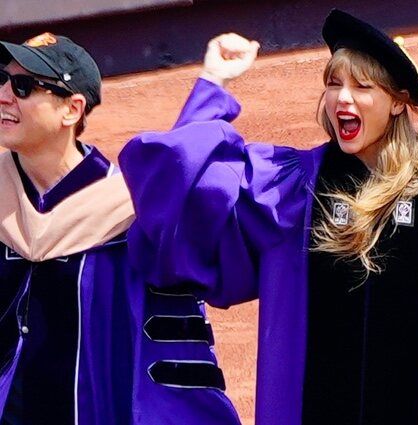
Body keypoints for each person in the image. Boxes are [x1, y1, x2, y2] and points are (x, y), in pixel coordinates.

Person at [117, 8, 418, 425]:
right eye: (334, 83)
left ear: (399, 101)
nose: (342, 99)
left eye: (363, 86)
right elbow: (181, 191)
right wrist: (212, 84)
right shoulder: (287, 189)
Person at [0, 33, 240, 424]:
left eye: (23, 86)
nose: (5, 95)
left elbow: (177, 172)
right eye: (2, 80)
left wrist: (212, 81)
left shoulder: (125, 212)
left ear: (71, 110)